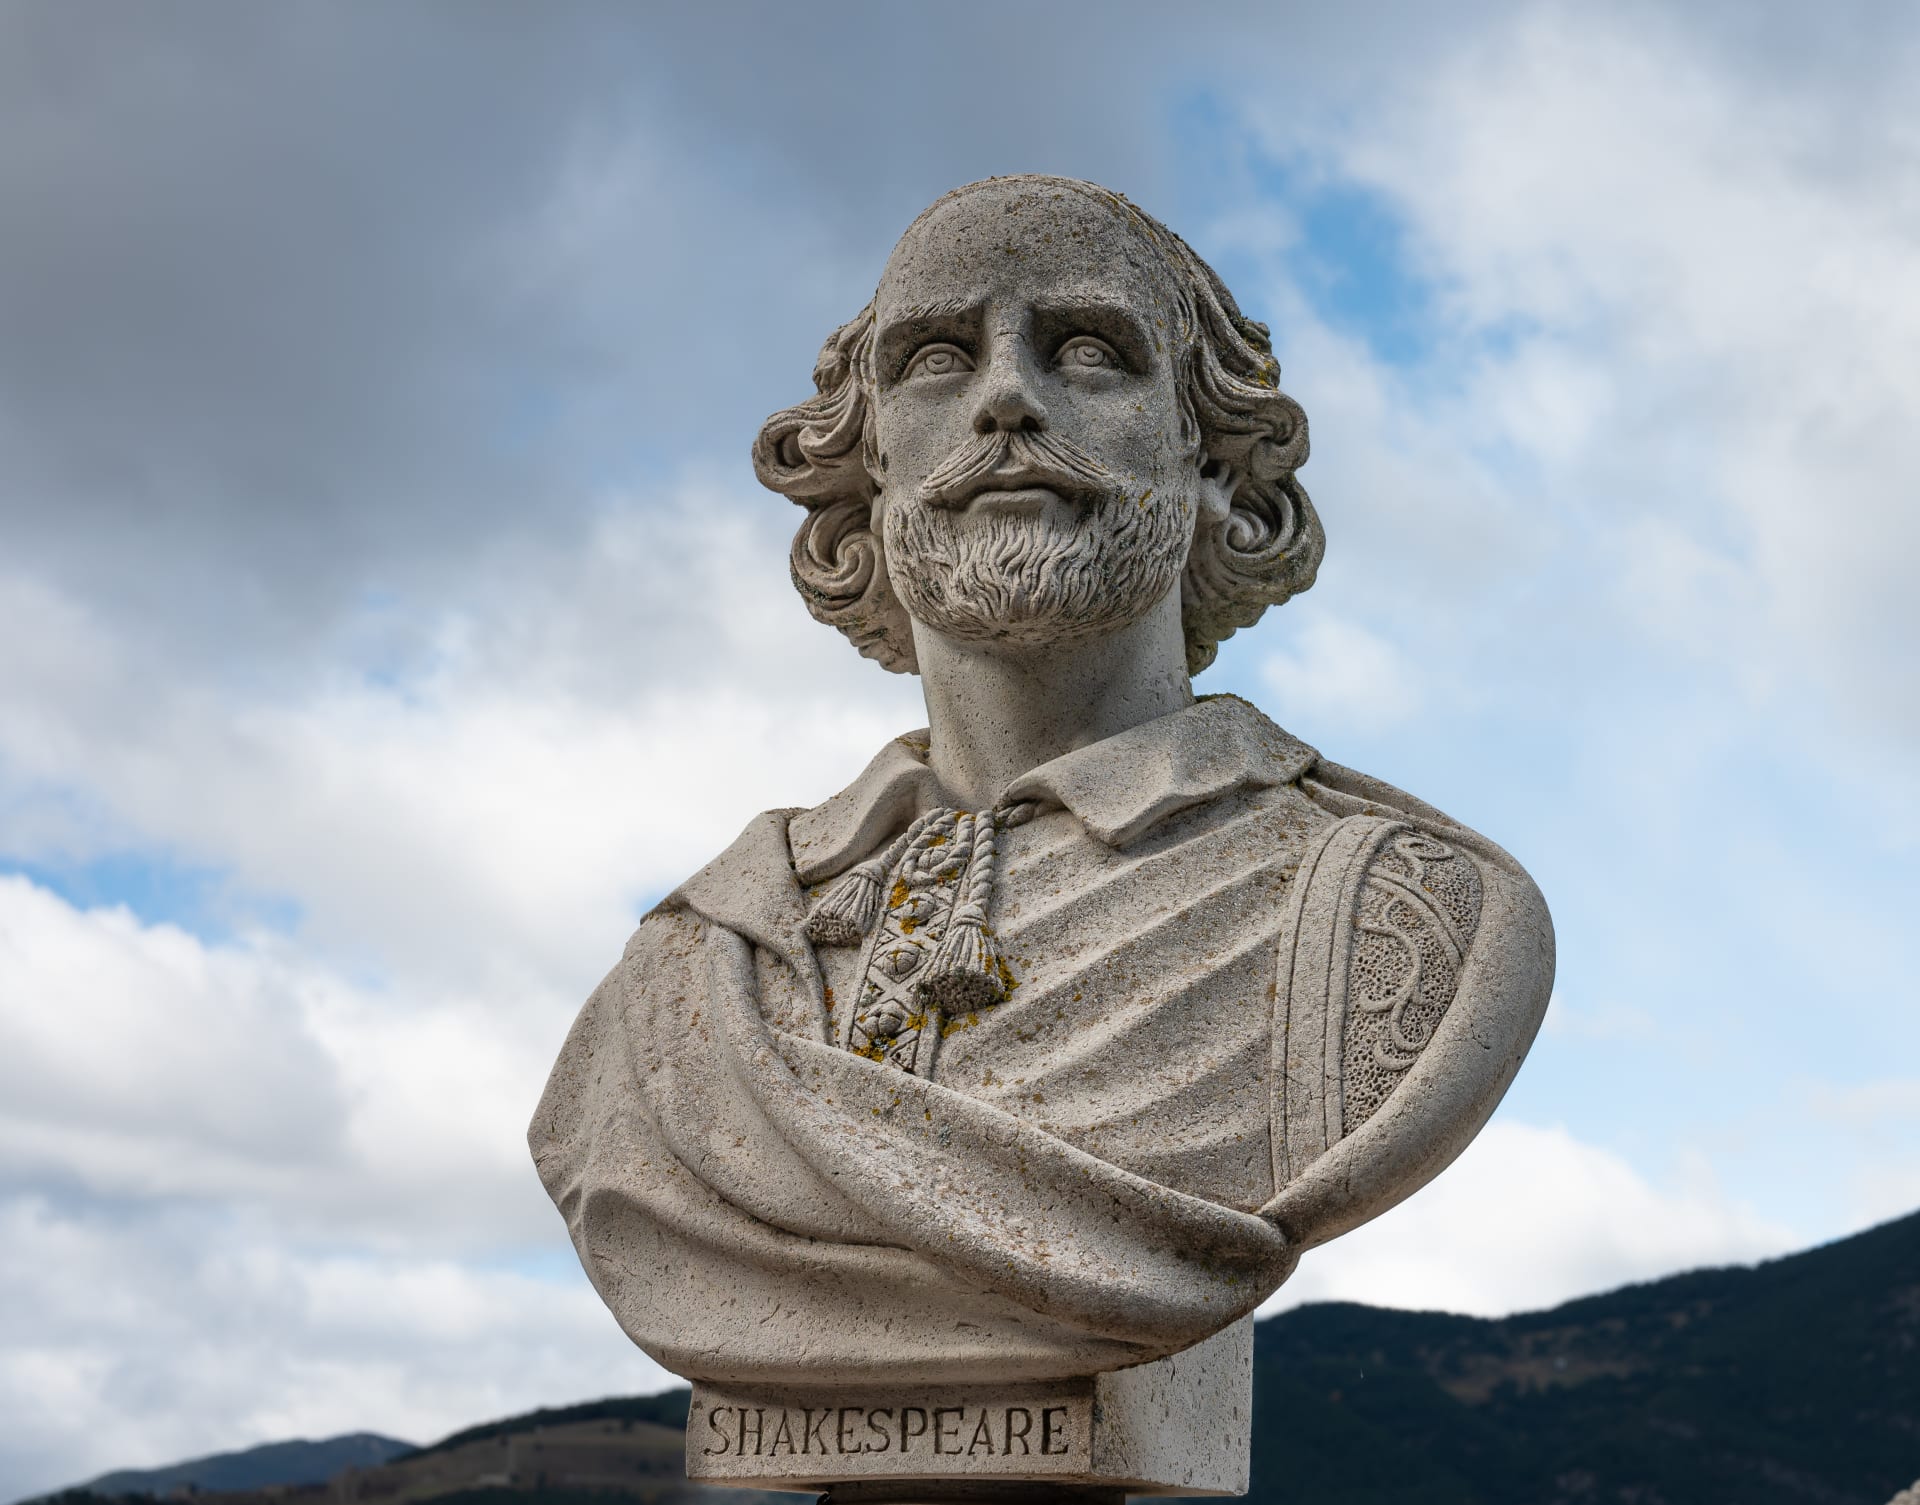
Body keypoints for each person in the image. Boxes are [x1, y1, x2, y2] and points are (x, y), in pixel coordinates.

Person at [530, 176, 1553, 1388]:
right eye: (935, 359)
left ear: (1216, 470)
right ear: (867, 475)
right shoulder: (699, 967)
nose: (1006, 396)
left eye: (1088, 351)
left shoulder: (1400, 910)